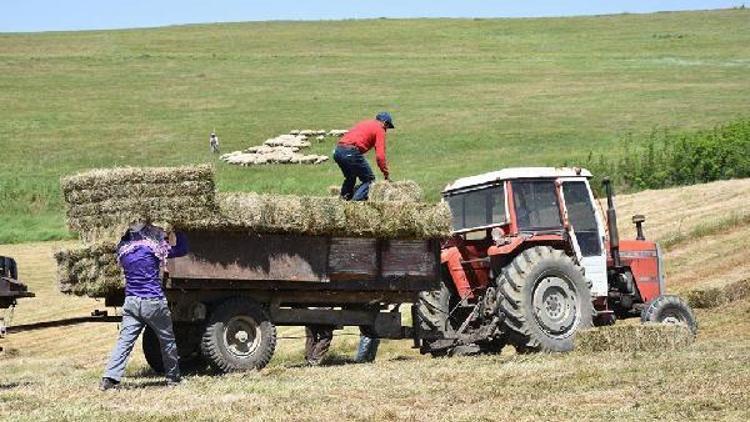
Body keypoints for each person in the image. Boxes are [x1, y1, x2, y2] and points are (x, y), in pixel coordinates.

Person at [99, 223, 189, 391]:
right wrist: (180, 229)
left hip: (131, 302)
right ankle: (173, 379)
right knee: (167, 342)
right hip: (153, 302)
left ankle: (109, 379)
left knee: (124, 342)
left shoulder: (122, 249)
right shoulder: (153, 248)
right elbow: (182, 249)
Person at [333, 112, 394, 201]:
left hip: (338, 151)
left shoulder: (365, 123)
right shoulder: (380, 128)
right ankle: (355, 205)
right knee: (369, 179)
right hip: (350, 151)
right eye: (388, 127)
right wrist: (386, 173)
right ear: (385, 122)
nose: (386, 129)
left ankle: (342, 201)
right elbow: (380, 156)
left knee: (350, 177)